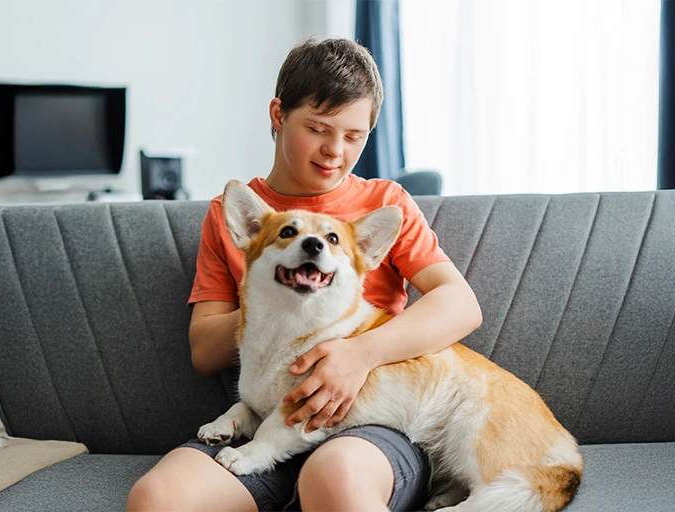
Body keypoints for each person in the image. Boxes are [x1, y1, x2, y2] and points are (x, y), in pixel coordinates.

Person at [127, 37, 482, 512]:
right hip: (265, 412)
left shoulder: (384, 204)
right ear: (278, 115)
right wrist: (278, 303)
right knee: (158, 500)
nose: (335, 150)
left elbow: (460, 304)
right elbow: (204, 351)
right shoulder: (236, 218)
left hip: (367, 423)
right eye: (318, 128)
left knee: (332, 480)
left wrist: (358, 354)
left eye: (354, 136)